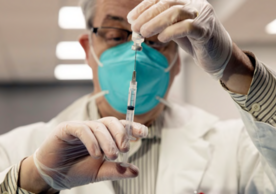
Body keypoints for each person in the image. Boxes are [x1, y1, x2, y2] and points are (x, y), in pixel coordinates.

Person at [1, 0, 276, 193]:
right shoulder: (16, 151)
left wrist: (235, 66)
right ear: (88, 50)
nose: (137, 52)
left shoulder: (236, 147)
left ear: (178, 59)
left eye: (156, 38)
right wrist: (34, 180)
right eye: (115, 35)